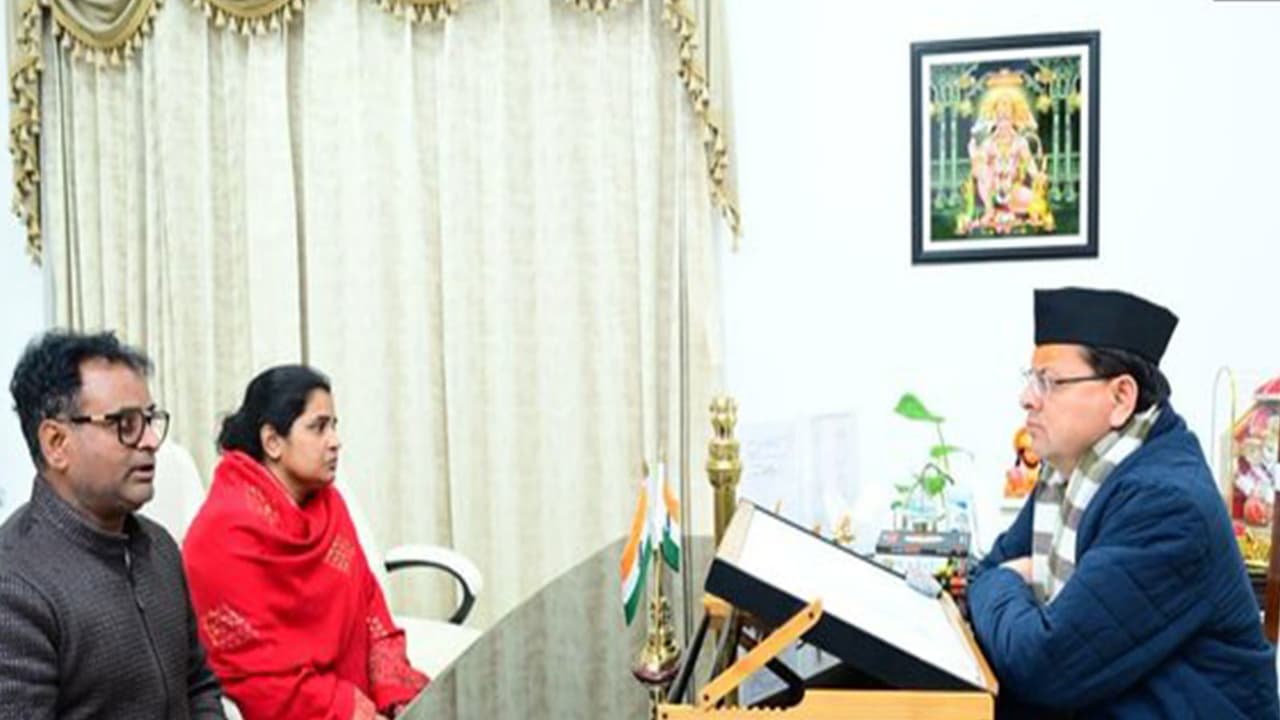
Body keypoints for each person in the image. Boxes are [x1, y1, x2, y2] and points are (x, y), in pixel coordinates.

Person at [969, 288, 1278, 718]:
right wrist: (1003, 580)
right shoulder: (1068, 472)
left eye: (1049, 382)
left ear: (1120, 399)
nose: (1027, 398)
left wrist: (1004, 581)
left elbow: (1041, 664)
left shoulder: (1168, 506)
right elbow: (986, 572)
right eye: (1030, 377)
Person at [0, 330, 226, 718]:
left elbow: (199, 685)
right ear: (56, 443)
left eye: (150, 419)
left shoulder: (159, 547)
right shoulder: (15, 585)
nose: (151, 440)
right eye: (125, 423)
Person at [183, 364, 427, 719]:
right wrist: (354, 712)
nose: (335, 441)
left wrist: (396, 693)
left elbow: (368, 603)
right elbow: (256, 675)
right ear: (272, 442)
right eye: (318, 427)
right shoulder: (223, 534)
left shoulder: (329, 505)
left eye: (334, 426)